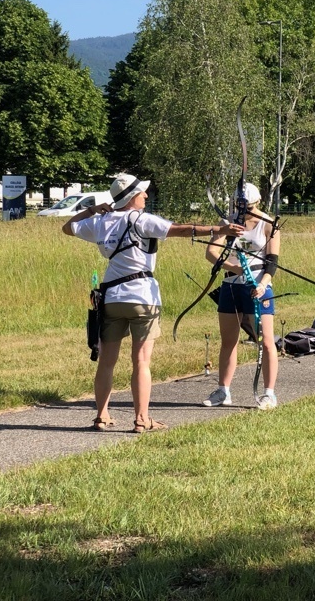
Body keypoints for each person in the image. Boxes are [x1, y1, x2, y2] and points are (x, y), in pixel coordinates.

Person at [64, 173, 242, 433]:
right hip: (143, 299)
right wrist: (221, 230)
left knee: (107, 361)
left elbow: (67, 228)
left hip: (111, 298)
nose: (146, 196)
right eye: (142, 193)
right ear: (132, 197)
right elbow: (181, 230)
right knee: (141, 362)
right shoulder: (141, 219)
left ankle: (101, 417)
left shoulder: (100, 222)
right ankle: (141, 419)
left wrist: (91, 209)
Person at [203, 182, 283, 409]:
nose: (242, 211)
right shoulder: (228, 223)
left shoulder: (268, 225)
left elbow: (272, 263)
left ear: (257, 203)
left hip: (257, 285)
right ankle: (223, 391)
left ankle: (269, 394)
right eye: (239, 206)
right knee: (229, 340)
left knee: (266, 341)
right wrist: (235, 268)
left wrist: (263, 284)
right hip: (230, 284)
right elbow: (211, 252)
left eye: (246, 206)